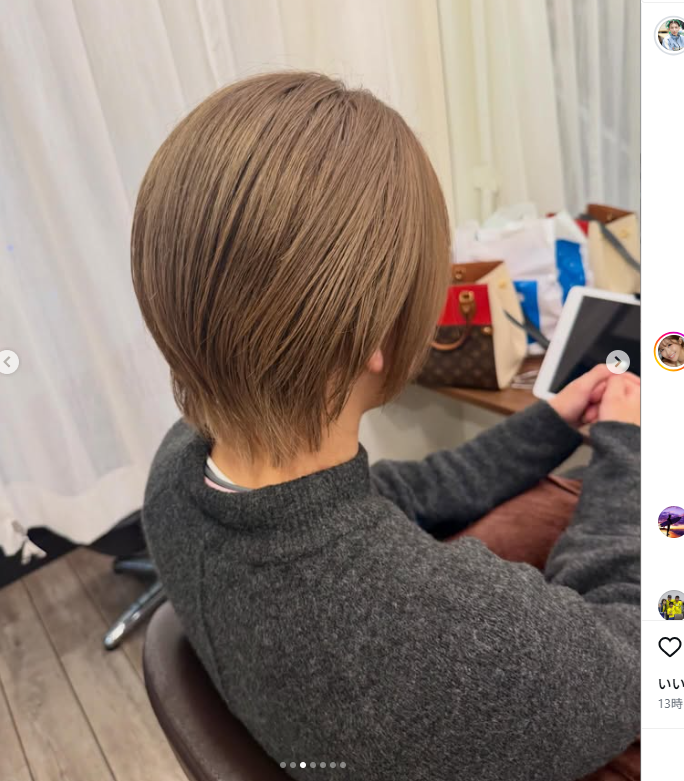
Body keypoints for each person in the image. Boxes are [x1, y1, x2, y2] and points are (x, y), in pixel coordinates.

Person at [132, 72, 641, 781]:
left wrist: (549, 424)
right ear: (373, 333)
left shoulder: (179, 472)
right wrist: (629, 449)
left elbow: (378, 502)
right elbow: (642, 652)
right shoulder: (453, 644)